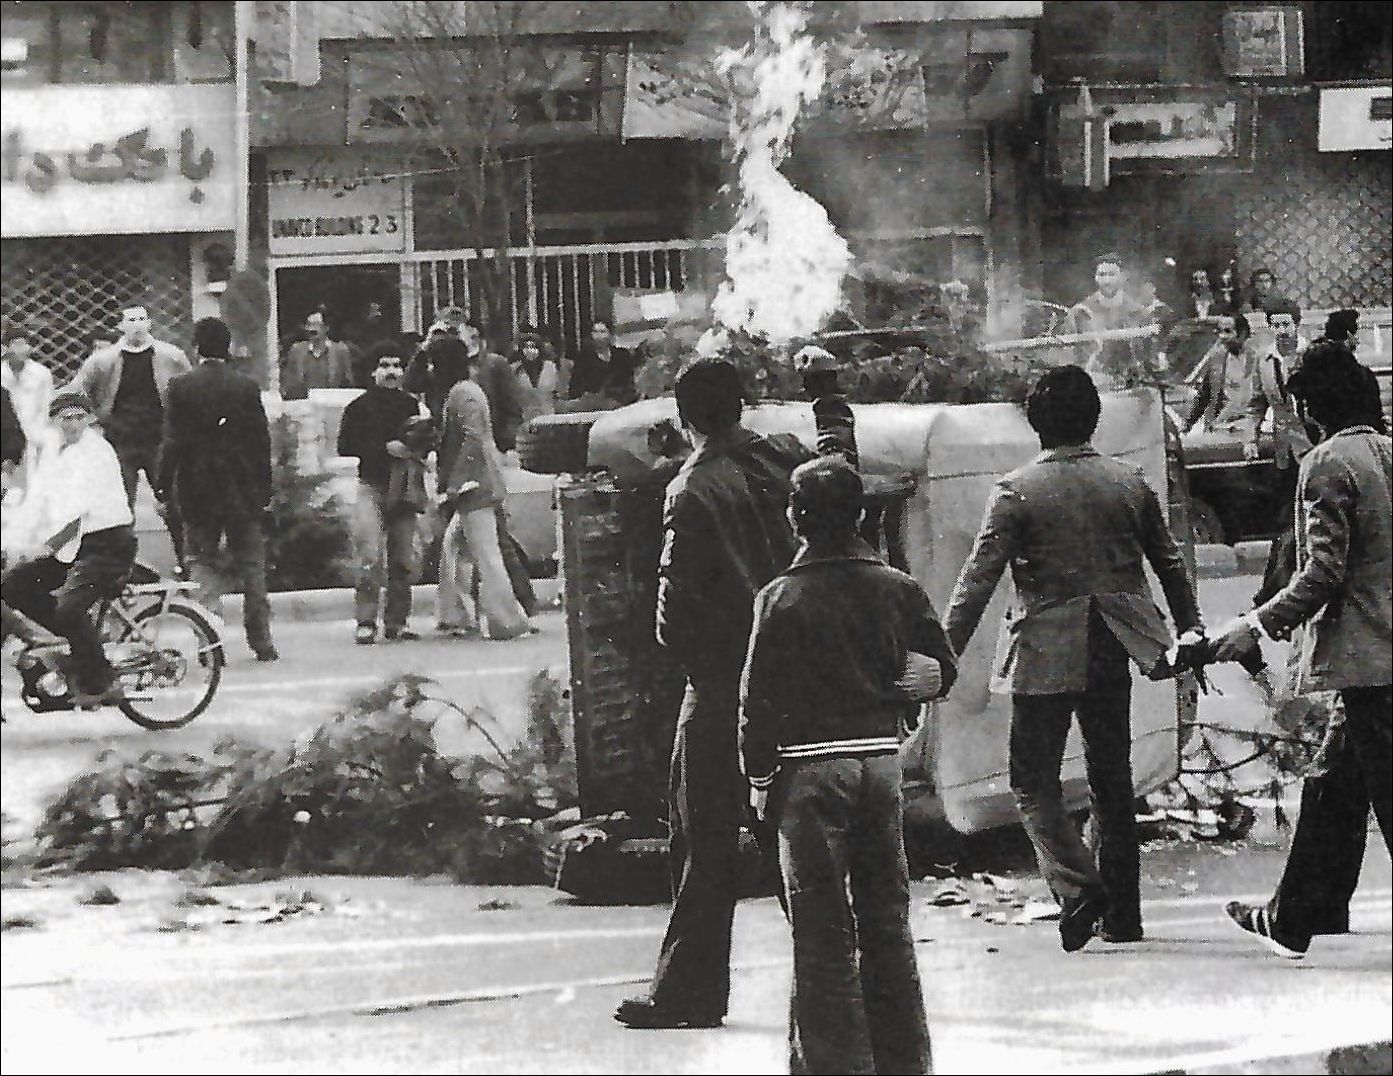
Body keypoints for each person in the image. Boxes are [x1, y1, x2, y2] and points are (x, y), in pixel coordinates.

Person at [942, 365, 1203, 951]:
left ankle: (1077, 886)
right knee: (1112, 777)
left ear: (1036, 423)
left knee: (1032, 779)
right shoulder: (1129, 480)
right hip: (1117, 642)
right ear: (1095, 418)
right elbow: (1171, 565)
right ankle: (1124, 917)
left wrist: (942, 653)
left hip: (1043, 649)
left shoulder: (1015, 491)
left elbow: (975, 583)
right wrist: (1191, 633)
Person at [739, 455, 955, 1075]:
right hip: (882, 765)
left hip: (808, 776)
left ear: (794, 519)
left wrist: (757, 782)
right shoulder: (897, 588)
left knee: (821, 933)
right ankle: (905, 1063)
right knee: (887, 921)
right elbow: (940, 666)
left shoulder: (778, 598)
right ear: (861, 514)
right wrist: (922, 683)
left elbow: (755, 706)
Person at [614, 358, 810, 1031]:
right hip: (796, 676)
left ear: (682, 414)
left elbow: (673, 615)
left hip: (724, 680)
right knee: (795, 832)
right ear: (743, 403)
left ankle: (689, 991)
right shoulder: (786, 457)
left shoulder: (690, 487)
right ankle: (839, 971)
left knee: (703, 836)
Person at [1210, 341, 1391, 960]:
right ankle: (1299, 915)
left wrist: (1255, 626)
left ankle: (1299, 913)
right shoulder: (1389, 453)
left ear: (1310, 405)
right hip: (1379, 660)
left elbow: (1321, 574)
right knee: (1331, 781)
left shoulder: (1326, 463)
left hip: (1370, 661)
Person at [1, 391, 136, 708]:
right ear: (54, 421)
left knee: (69, 608)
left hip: (107, 543)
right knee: (12, 586)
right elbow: (39, 501)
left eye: (80, 417)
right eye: (66, 418)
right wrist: (13, 540)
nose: (74, 424)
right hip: (74, 547)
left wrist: (44, 547)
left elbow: (77, 513)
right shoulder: (53, 451)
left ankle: (102, 679)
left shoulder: (96, 452)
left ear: (89, 419)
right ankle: (78, 644)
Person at [156, 317, 278, 662]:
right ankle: (262, 640)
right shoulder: (245, 387)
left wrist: (163, 485)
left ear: (196, 348)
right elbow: (260, 442)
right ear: (227, 348)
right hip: (241, 489)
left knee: (201, 562)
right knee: (252, 563)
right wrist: (263, 491)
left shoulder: (180, 387)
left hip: (197, 488)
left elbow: (172, 442)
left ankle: (210, 643)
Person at [65, 304, 190, 572]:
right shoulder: (104, 360)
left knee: (173, 504)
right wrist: (89, 422)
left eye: (141, 319)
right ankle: (123, 570)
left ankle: (186, 561)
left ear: (149, 323)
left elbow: (189, 389)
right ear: (121, 326)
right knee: (122, 509)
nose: (136, 324)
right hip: (121, 442)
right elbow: (76, 391)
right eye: (130, 320)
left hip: (160, 441)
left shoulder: (171, 356)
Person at [434, 338, 533, 641]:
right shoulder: (468, 389)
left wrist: (454, 482)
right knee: (455, 549)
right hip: (479, 482)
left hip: (474, 486)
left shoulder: (462, 393)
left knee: (486, 554)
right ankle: (457, 616)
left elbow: (473, 439)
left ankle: (508, 621)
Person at [337, 344, 428, 645]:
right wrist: (383, 447)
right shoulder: (358, 407)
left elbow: (421, 442)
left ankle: (397, 623)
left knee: (403, 558)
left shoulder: (410, 405)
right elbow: (345, 445)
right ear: (372, 372)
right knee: (370, 555)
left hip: (404, 485)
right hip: (372, 486)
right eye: (385, 365)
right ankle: (365, 621)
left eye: (397, 365)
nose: (391, 371)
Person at [1065, 253, 1153, 389]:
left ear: (1123, 277)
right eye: (1102, 275)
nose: (1106, 281)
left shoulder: (1139, 313)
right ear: (1095, 277)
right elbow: (1070, 355)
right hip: (1091, 386)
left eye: (1112, 275)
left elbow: (1147, 357)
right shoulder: (1080, 313)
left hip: (1132, 388)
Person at [1182, 314, 1256, 433]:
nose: (1222, 337)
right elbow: (1205, 394)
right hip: (1218, 428)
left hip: (1248, 426)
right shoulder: (1218, 357)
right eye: (1220, 332)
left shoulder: (1259, 358)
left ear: (1243, 334)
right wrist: (1188, 424)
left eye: (1227, 331)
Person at [1, 323, 55, 479]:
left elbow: (47, 407)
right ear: (6, 347)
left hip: (35, 434)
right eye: (16, 344)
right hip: (6, 437)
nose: (22, 349)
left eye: (25, 344)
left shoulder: (41, 374)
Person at [280, 310, 353, 401]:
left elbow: (348, 383)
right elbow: (288, 382)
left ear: (326, 327)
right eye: (309, 325)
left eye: (316, 325)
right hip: (303, 405)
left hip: (331, 405)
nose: (312, 329)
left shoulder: (340, 351)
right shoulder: (297, 351)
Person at [570, 321, 639, 404]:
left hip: (623, 400)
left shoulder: (622, 355)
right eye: (595, 332)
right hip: (596, 403)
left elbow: (630, 379)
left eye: (602, 332)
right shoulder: (584, 358)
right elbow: (576, 385)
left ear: (610, 334)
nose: (599, 336)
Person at [509, 328, 562, 426]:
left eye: (533, 347)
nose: (530, 351)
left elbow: (557, 395)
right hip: (525, 423)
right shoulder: (514, 369)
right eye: (526, 347)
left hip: (549, 420)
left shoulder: (550, 367)